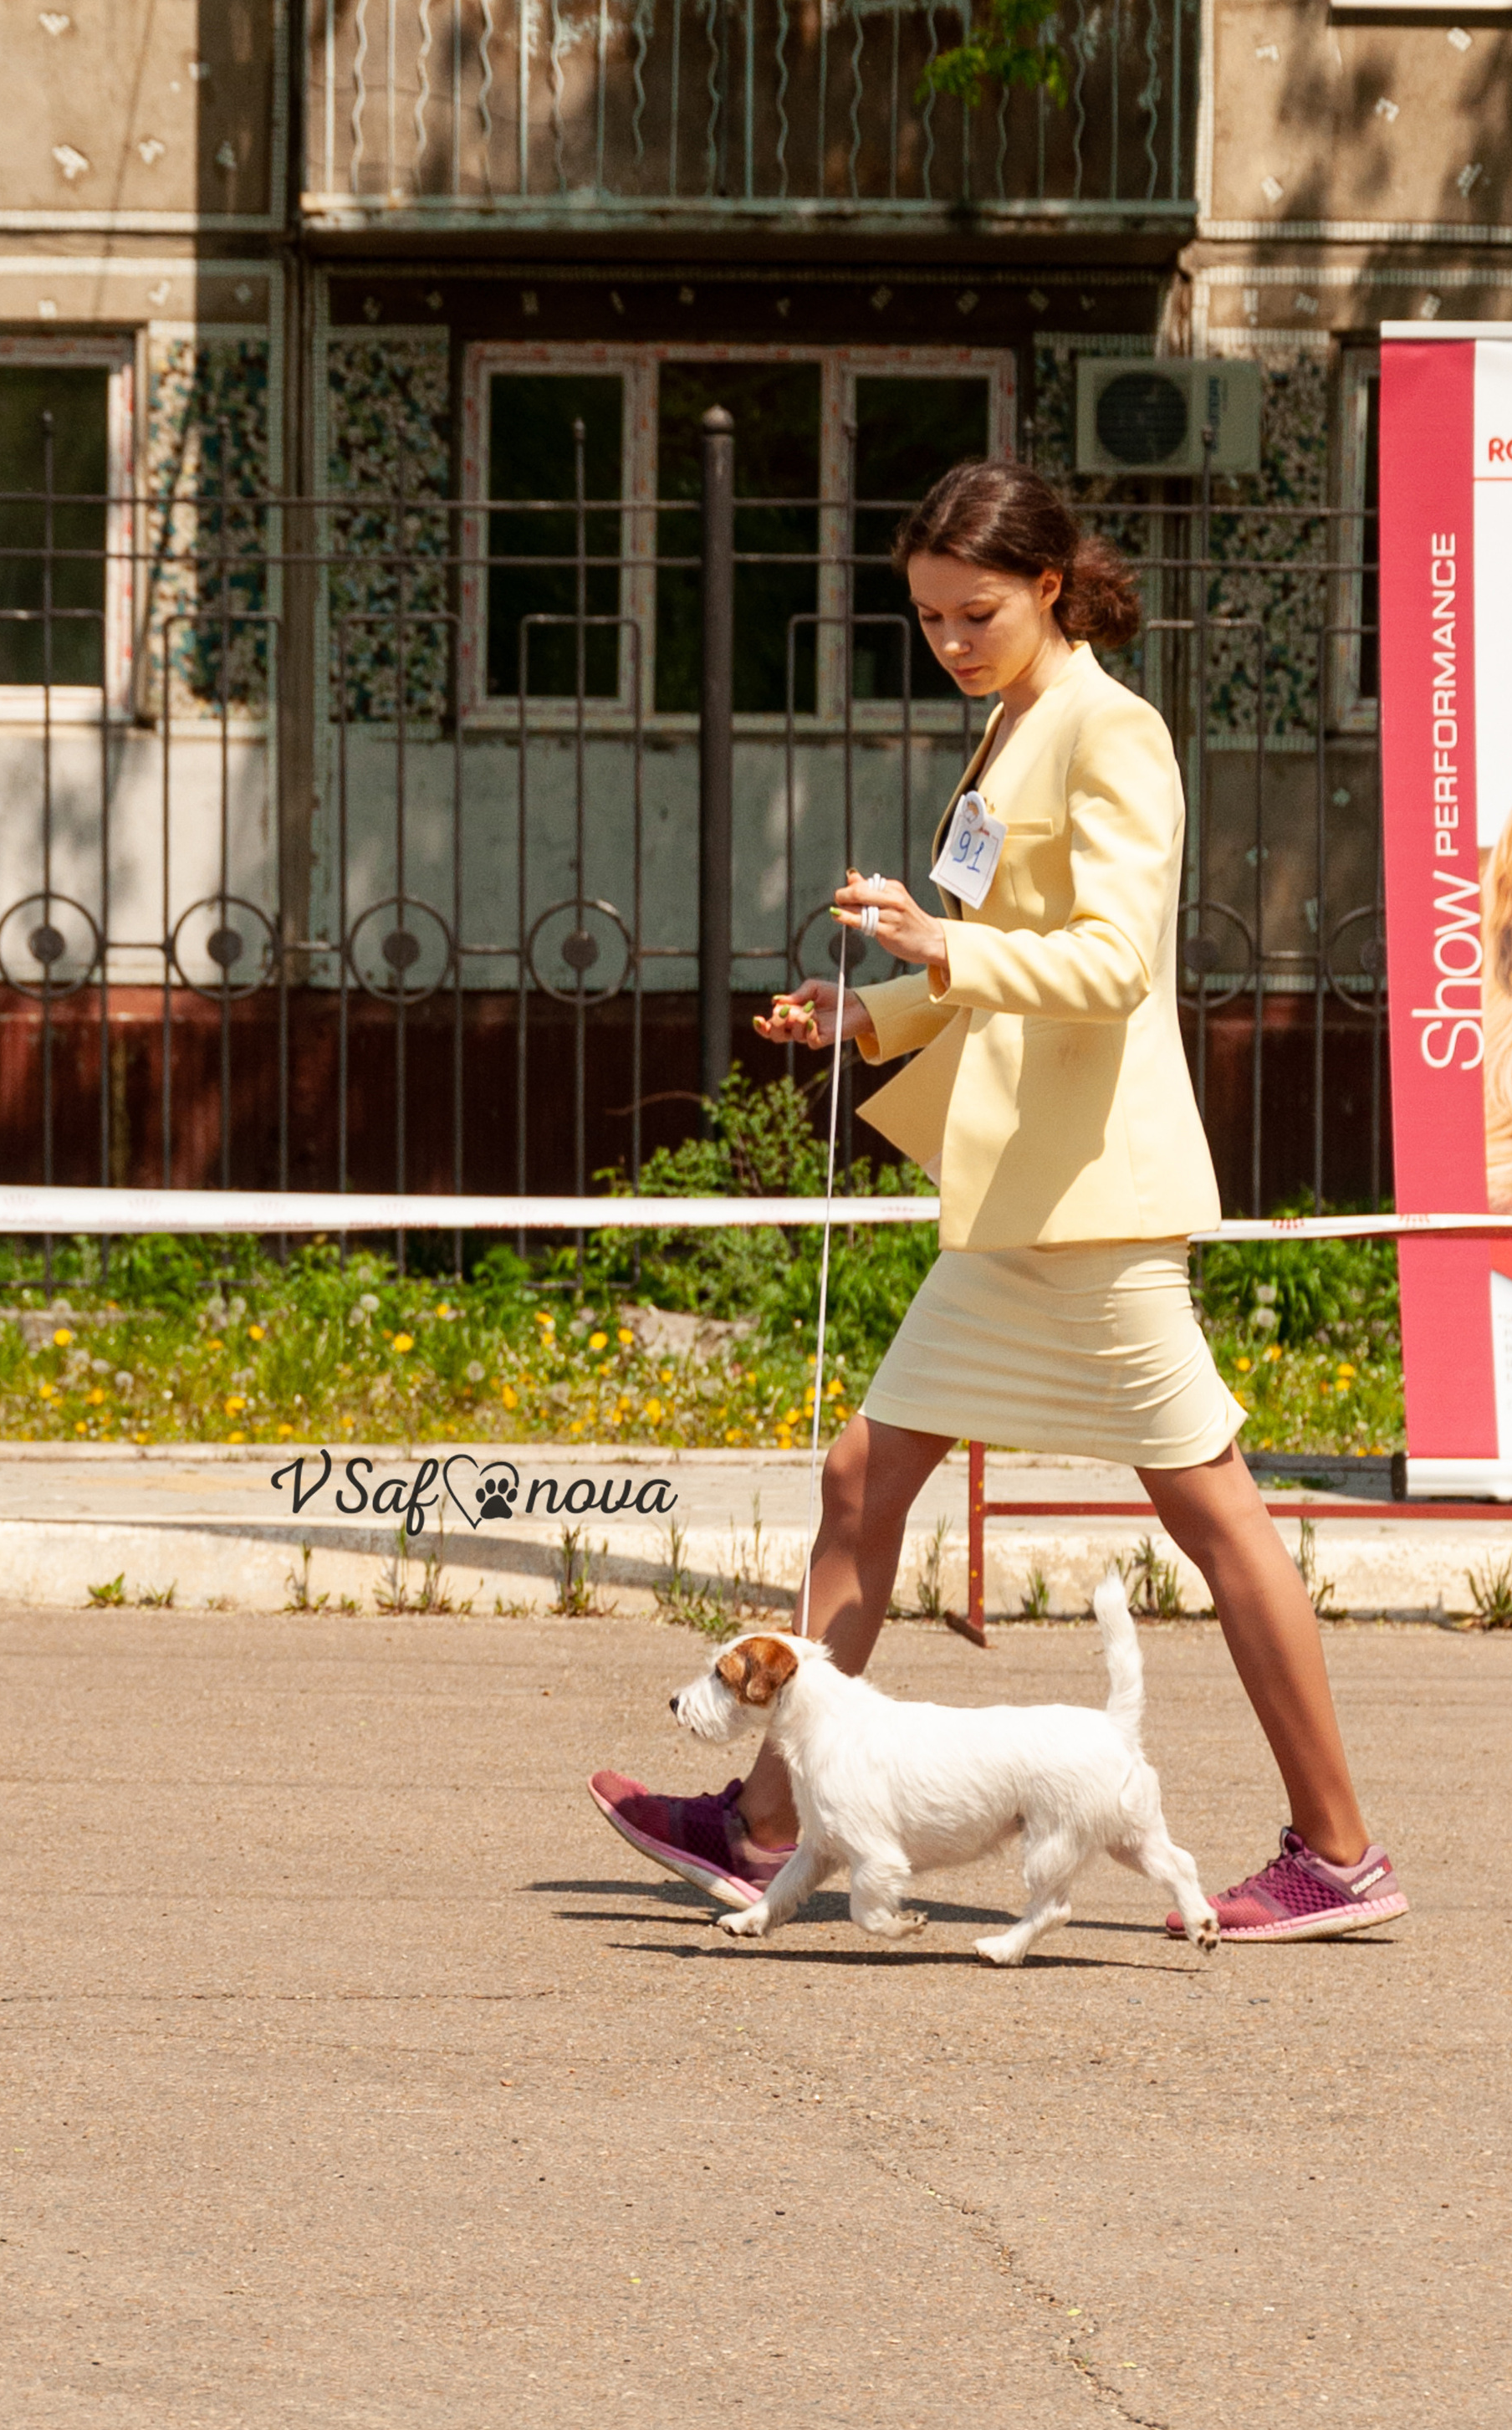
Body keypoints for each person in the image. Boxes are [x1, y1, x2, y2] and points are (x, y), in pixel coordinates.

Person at [589, 457, 1406, 1945]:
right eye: (928, 619)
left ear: (1049, 584)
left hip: (1091, 1204)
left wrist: (936, 947)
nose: (953, 640)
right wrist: (867, 1013)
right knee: (862, 1478)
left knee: (1218, 1520)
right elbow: (998, 961)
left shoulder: (1112, 729)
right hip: (1020, 1202)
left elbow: (1110, 966)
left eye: (976, 612)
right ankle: (768, 1821)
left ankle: (1340, 1853)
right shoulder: (1014, 727)